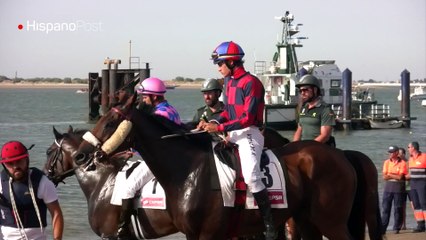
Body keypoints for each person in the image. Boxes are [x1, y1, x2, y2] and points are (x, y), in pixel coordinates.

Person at [198, 41, 276, 239]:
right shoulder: (229, 82)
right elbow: (227, 112)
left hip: (250, 133)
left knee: (251, 176)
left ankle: (269, 223)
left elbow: (248, 118)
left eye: (220, 63)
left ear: (232, 62)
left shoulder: (252, 83)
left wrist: (220, 127)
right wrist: (212, 121)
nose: (218, 67)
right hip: (233, 132)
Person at [112, 77, 182, 239]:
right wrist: (133, 151)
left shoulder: (159, 115)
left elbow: (154, 144)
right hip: (169, 155)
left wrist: (133, 150)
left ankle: (122, 229)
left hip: (161, 160)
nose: (143, 99)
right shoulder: (170, 109)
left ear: (155, 97)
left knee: (128, 187)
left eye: (145, 96)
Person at [0, 141, 64, 240]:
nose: (15, 167)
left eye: (19, 161)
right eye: (10, 163)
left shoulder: (42, 182)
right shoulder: (0, 182)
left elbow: (56, 213)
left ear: (27, 158)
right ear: (4, 165)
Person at [292, 74, 336, 147]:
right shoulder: (303, 109)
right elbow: (299, 129)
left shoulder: (325, 109)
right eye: (300, 91)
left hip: (320, 148)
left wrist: (307, 147)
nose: (302, 93)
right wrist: (294, 146)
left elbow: (325, 136)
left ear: (315, 90)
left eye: (305, 90)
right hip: (304, 149)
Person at [381, 145, 408, 234]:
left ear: (396, 153)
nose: (389, 154)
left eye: (391, 152)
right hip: (388, 188)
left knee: (398, 209)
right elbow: (384, 177)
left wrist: (390, 174)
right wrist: (393, 175)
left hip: (398, 189)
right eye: (389, 152)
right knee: (385, 209)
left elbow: (400, 177)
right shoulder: (386, 162)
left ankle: (396, 228)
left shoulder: (403, 163)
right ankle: (383, 228)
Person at [406, 141, 426, 233]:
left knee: (424, 203)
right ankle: (420, 225)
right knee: (416, 205)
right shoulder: (410, 159)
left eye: (409, 147)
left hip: (422, 183)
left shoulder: (424, 156)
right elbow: (410, 173)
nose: (408, 149)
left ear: (413, 148)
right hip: (413, 184)